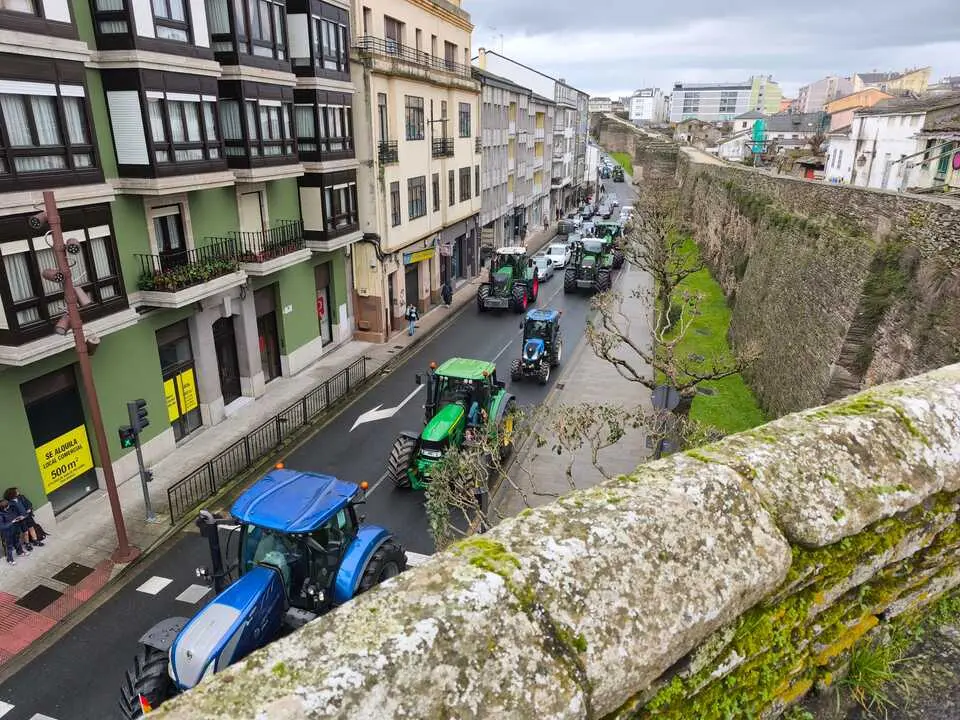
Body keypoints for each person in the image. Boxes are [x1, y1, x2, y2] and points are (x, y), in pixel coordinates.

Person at [0, 497, 25, 564]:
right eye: (7, 505)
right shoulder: (1, 515)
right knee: (9, 546)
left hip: (15, 529)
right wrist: (12, 522)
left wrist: (18, 518)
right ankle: (10, 559)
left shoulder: (10, 509)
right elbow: (2, 526)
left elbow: (14, 515)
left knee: (17, 541)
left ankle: (20, 552)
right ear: (4, 508)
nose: (9, 506)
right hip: (7, 533)